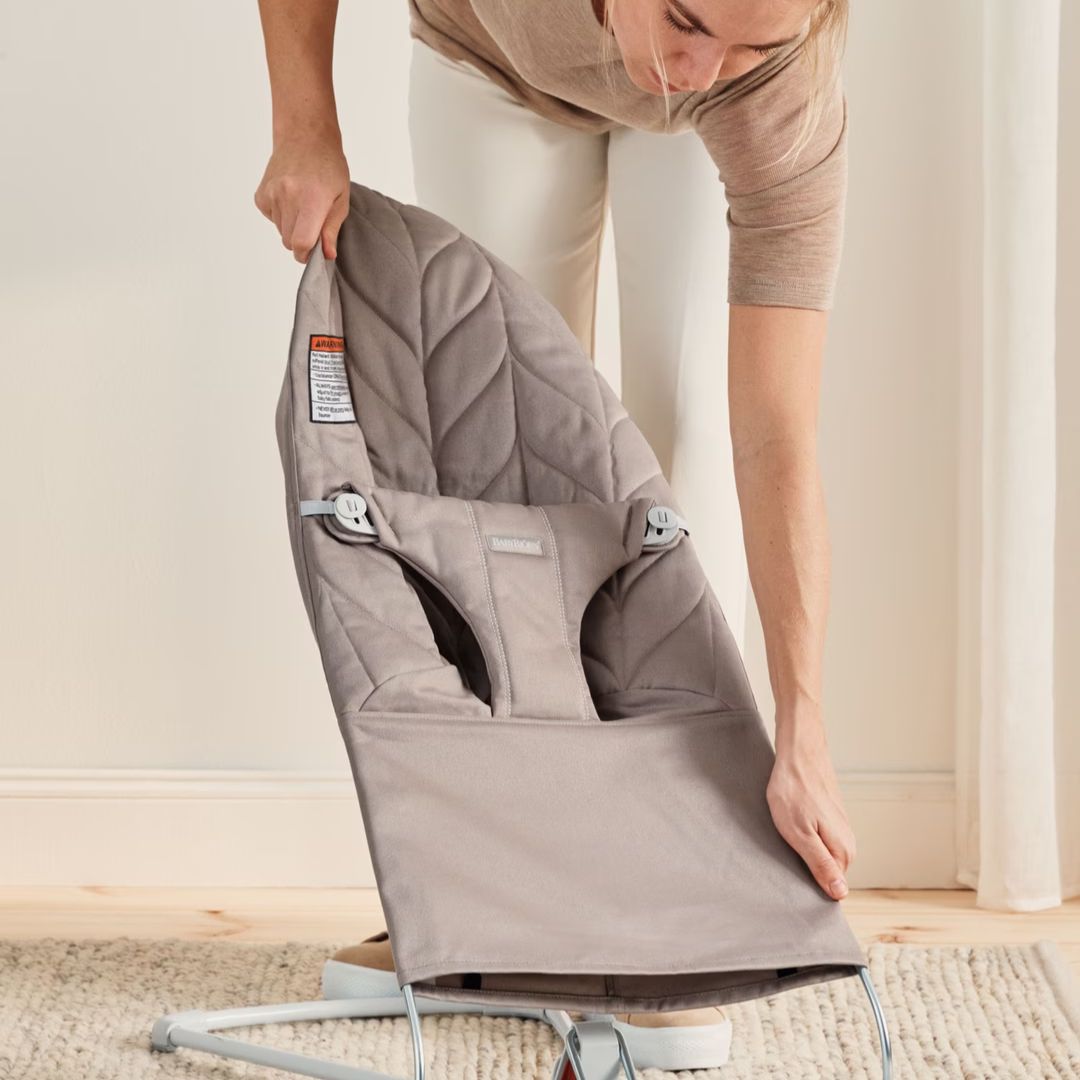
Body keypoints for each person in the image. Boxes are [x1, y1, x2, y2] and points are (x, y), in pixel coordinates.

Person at [254, 0, 857, 1056]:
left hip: (706, 134)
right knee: (493, 467)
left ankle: (677, 908)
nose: (697, 68)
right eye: (684, 20)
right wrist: (306, 121)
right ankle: (495, 907)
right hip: (493, 51)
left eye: (751, 44)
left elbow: (778, 436)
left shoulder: (771, 83)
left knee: (678, 469)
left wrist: (804, 723)